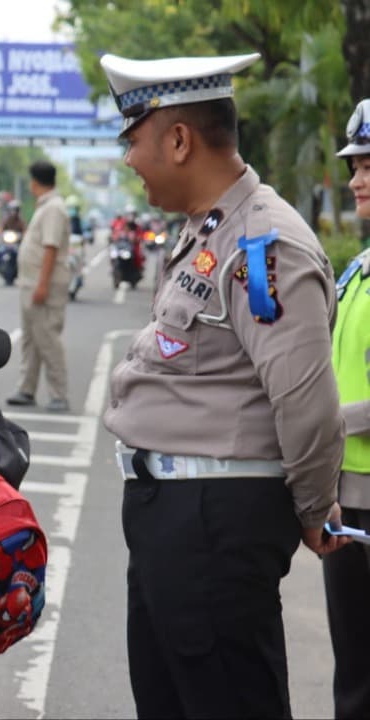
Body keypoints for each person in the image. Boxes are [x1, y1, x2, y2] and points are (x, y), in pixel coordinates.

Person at [100, 52, 347, 718]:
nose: (127, 158)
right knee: (172, 700)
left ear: (177, 140)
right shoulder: (210, 228)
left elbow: (304, 398)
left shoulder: (263, 243)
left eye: (132, 139)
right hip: (175, 516)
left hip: (212, 521)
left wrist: (311, 505)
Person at [323, 97, 370, 720]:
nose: (356, 177)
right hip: (348, 500)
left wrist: (322, 424)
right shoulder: (357, 267)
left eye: (368, 164)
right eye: (356, 163)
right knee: (354, 677)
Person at [5, 161, 70, 412]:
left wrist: (42, 285)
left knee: (48, 338)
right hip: (32, 283)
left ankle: (59, 394)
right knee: (31, 339)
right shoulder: (46, 206)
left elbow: (51, 248)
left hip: (44, 285)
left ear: (34, 182)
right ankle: (26, 389)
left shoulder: (53, 208)